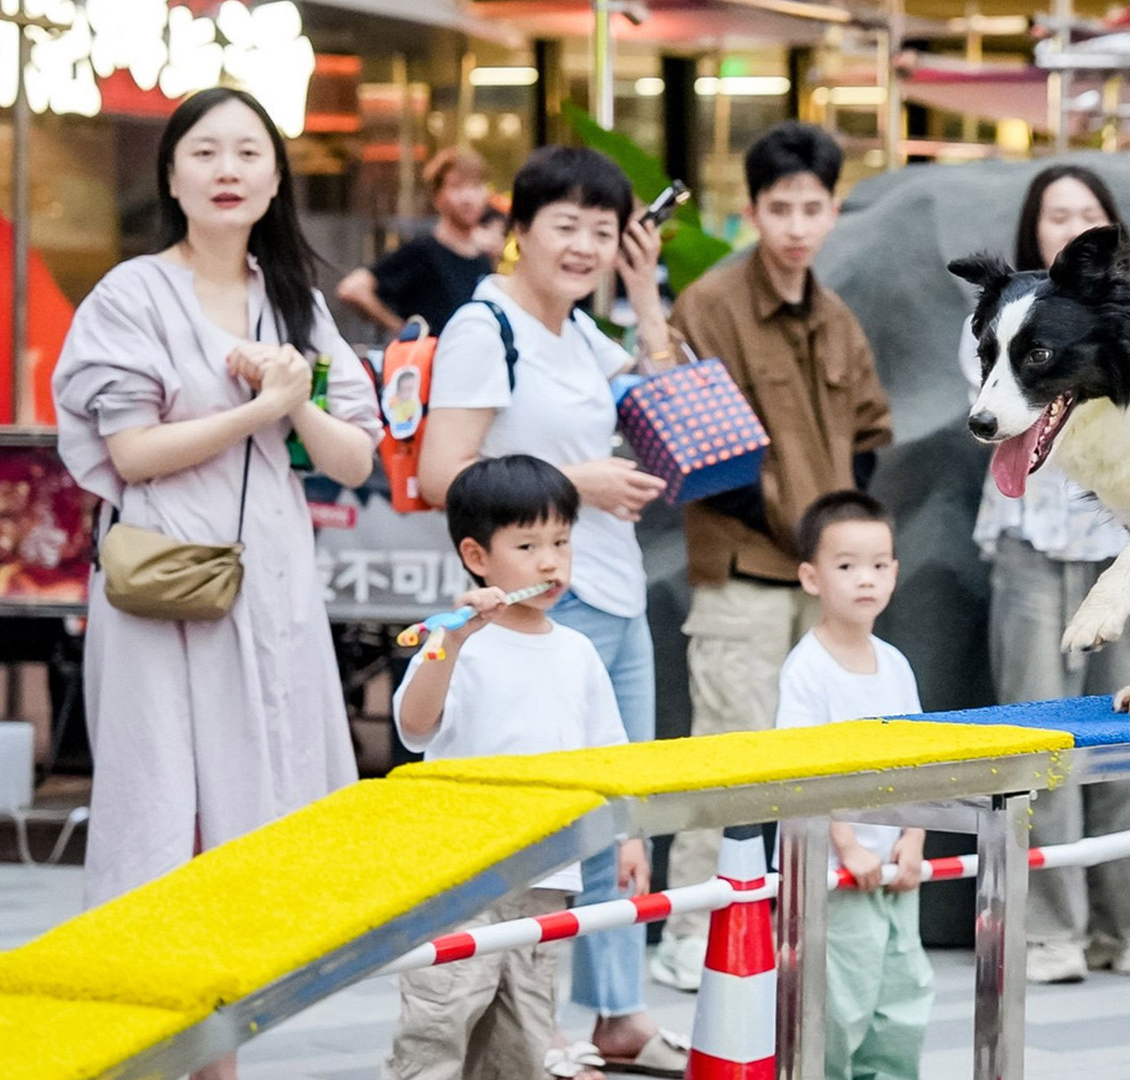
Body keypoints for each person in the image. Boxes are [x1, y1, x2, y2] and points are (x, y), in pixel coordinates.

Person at [51, 87, 381, 1080]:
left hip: (268, 584)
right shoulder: (129, 295)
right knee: (160, 806)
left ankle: (221, 1050)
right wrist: (255, 410)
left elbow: (354, 456)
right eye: (204, 151)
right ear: (172, 175)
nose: (226, 169)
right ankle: (161, 1037)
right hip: (162, 588)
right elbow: (133, 451)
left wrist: (294, 401)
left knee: (260, 796)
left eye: (247, 152)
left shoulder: (298, 305)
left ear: (278, 177)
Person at [412, 146, 684, 1075]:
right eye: (563, 225)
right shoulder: (487, 328)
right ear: (518, 228)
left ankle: (619, 1012)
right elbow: (442, 475)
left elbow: (669, 402)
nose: (581, 247)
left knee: (619, 814)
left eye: (602, 233)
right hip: (531, 610)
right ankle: (541, 1025)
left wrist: (646, 298)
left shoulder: (580, 331)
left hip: (609, 584)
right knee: (545, 825)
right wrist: (579, 480)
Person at [652, 121, 894, 991]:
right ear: (751, 210)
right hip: (747, 573)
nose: (797, 224)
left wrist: (835, 543)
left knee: (828, 755)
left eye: (813, 207)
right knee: (729, 750)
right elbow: (694, 456)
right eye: (780, 206)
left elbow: (869, 432)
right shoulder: (709, 305)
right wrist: (806, 535)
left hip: (824, 585)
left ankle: (802, 918)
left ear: (833, 212)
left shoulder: (836, 317)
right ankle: (690, 933)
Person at [954, 164, 1130, 985]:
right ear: (1033, 231)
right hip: (1029, 546)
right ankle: (1051, 934)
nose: (1072, 225)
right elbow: (997, 411)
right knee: (1037, 745)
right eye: (1057, 214)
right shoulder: (993, 319)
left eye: (1089, 213)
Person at [384, 454, 643, 1080]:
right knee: (440, 1021)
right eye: (527, 545)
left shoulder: (577, 652)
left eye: (561, 541)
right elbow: (415, 729)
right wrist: (450, 642)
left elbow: (609, 755)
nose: (551, 561)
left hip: (549, 871)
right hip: (462, 873)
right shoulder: (457, 642)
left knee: (523, 1034)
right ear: (477, 556)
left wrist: (629, 836)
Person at [776, 490, 932, 1080]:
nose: (864, 579)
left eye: (878, 564)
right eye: (846, 566)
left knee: (901, 995)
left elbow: (920, 760)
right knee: (837, 1000)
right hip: (831, 872)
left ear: (894, 571)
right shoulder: (807, 670)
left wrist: (914, 836)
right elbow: (806, 771)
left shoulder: (894, 663)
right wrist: (846, 845)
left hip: (893, 866)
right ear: (811, 577)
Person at [338, 147, 494, 335]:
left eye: (475, 186)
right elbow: (353, 289)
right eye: (457, 187)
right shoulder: (423, 251)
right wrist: (402, 330)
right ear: (437, 196)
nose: (468, 198)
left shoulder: (484, 256)